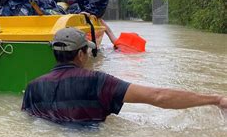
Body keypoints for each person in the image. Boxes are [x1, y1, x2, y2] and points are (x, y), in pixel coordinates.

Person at [22, 27, 226, 124]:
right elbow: (158, 96)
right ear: (81, 54)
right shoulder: (98, 82)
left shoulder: (32, 87)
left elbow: (27, 124)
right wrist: (215, 99)